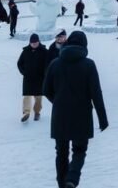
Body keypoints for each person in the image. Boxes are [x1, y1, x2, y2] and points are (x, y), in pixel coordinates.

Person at [43, 31, 108, 188]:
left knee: (61, 152)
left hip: (60, 115)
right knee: (79, 150)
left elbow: (46, 90)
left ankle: (62, 184)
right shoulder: (88, 64)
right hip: (82, 114)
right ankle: (71, 179)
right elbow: (96, 93)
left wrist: (57, 101)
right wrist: (102, 118)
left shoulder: (55, 63)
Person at [18, 33, 50, 122]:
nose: (34, 44)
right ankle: (26, 113)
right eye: (32, 43)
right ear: (30, 43)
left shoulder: (44, 51)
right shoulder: (25, 51)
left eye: (35, 43)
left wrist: (45, 74)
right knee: (27, 96)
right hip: (28, 78)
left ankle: (37, 112)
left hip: (40, 78)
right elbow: (19, 63)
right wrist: (24, 72)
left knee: (38, 97)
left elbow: (48, 64)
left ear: (38, 42)